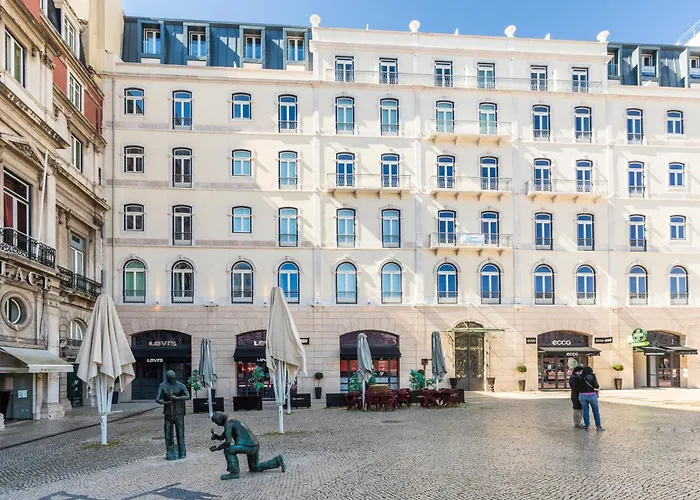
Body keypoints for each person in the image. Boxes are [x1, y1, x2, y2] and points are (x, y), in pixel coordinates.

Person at [209, 412, 285, 480]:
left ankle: (234, 472)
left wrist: (217, 448)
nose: (217, 424)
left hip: (247, 446)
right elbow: (224, 436)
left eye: (216, 422)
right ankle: (277, 461)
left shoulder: (228, 423)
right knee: (254, 467)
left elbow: (228, 442)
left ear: (220, 419)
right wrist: (216, 437)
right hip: (254, 445)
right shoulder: (232, 418)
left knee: (228, 450)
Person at [155, 370, 191, 460]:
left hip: (179, 413)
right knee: (168, 434)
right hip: (168, 413)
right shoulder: (162, 386)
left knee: (180, 433)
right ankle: (170, 452)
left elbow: (188, 396)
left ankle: (182, 452)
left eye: (173, 378)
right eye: (170, 379)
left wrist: (177, 398)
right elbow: (157, 399)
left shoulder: (180, 385)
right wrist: (166, 402)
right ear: (167, 378)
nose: (172, 380)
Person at [578, 366, 604, 431]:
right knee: (596, 411)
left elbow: (577, 387)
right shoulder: (592, 376)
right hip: (592, 395)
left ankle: (587, 426)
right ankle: (598, 426)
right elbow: (596, 386)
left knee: (585, 412)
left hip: (582, 395)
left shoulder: (579, 377)